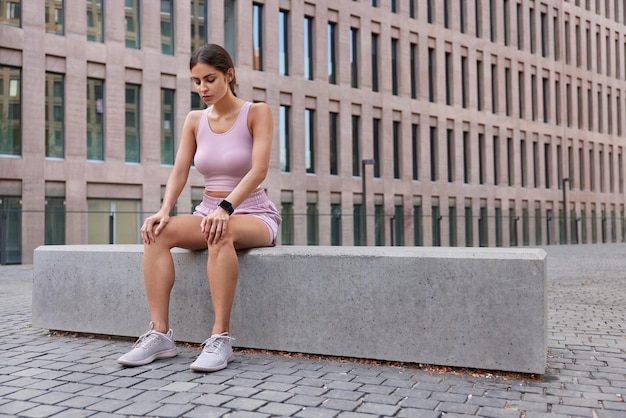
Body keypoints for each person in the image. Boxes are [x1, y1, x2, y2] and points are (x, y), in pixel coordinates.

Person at [117, 44, 281, 372]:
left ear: (229, 75)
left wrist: (226, 207)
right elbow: (180, 170)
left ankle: (220, 338)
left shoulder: (257, 112)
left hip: (254, 212)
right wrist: (164, 210)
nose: (202, 89)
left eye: (210, 79)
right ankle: (160, 335)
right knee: (157, 233)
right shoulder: (195, 120)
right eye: (196, 82)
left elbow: (258, 170)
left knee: (220, 232)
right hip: (207, 211)